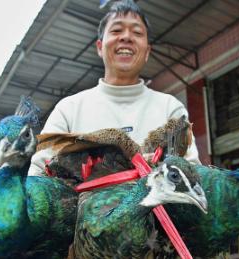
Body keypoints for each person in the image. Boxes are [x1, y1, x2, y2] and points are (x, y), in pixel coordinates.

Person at [29, 0, 200, 176]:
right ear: (99, 47)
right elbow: (37, 175)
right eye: (116, 30)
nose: (126, 37)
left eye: (137, 32)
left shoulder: (170, 108)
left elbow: (192, 174)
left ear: (147, 52)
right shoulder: (69, 110)